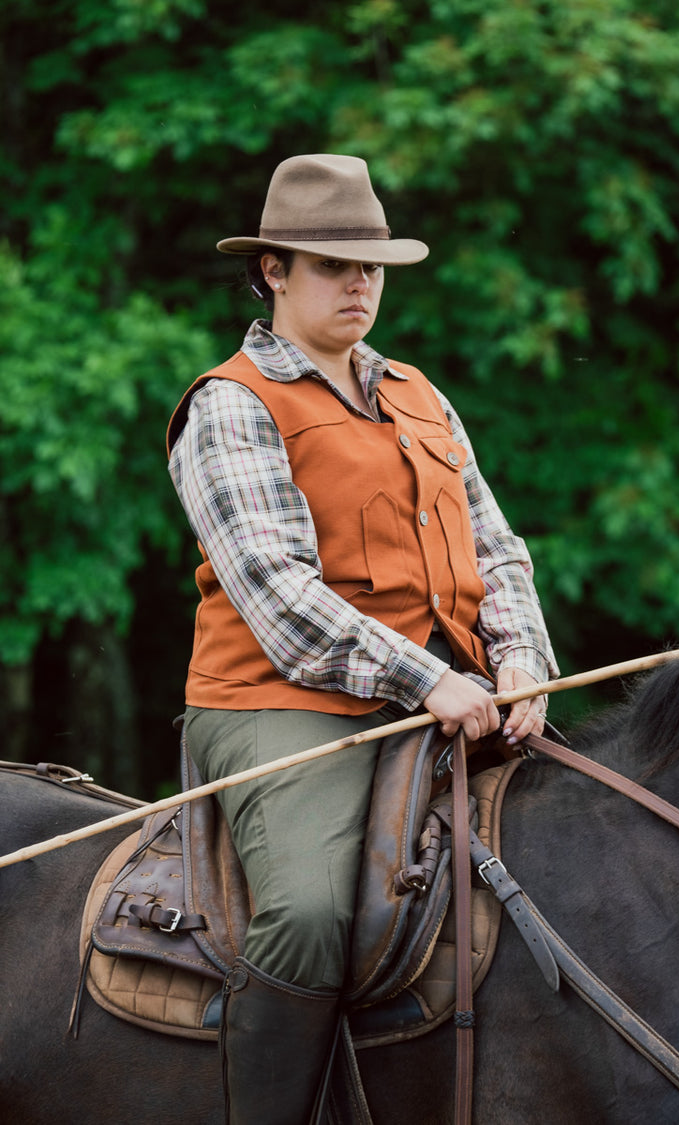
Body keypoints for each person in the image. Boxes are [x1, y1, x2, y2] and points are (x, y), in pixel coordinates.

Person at [167, 153, 558, 1124]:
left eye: (371, 266)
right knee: (307, 915)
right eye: (332, 264)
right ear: (273, 272)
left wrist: (520, 660)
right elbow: (280, 598)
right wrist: (431, 679)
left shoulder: (421, 394)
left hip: (452, 690)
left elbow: (498, 548)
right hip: (281, 705)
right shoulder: (230, 406)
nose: (358, 285)